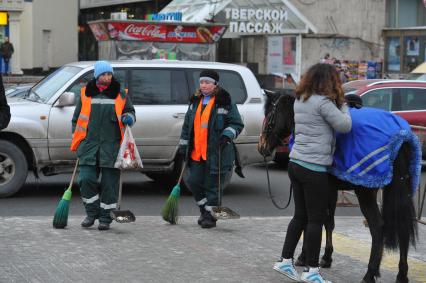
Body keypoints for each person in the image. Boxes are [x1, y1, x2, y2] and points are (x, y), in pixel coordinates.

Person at [273, 63, 352, 283]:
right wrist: (344, 104)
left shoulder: (301, 99)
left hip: (296, 163)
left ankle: (285, 261)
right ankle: (312, 271)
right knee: (316, 219)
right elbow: (345, 125)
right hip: (314, 167)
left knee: (300, 216)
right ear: (329, 82)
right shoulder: (324, 103)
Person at [70, 61, 135, 231]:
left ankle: (106, 217)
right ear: (97, 76)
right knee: (85, 180)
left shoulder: (120, 94)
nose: (107, 77)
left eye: (109, 74)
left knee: (109, 184)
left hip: (112, 147)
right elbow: (77, 120)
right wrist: (79, 141)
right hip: (89, 146)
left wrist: (129, 117)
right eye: (103, 74)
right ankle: (92, 213)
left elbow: (130, 112)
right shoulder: (86, 94)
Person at [179, 69, 244, 229]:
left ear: (215, 84)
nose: (204, 85)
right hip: (197, 153)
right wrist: (183, 144)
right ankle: (204, 210)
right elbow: (187, 126)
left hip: (216, 153)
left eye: (207, 82)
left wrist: (227, 135)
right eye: (202, 82)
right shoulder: (195, 102)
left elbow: (236, 123)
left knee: (212, 187)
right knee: (193, 182)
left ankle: (210, 216)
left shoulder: (224, 101)